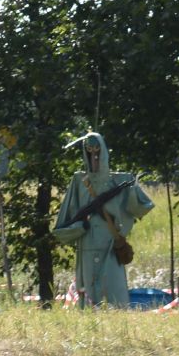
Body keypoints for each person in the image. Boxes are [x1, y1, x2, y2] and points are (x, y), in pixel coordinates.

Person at [52, 130, 154, 307]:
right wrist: (79, 227)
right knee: (89, 296)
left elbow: (142, 207)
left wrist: (130, 191)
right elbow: (64, 225)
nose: (95, 157)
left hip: (111, 246)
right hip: (87, 247)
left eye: (97, 152)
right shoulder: (79, 182)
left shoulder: (120, 181)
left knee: (114, 295)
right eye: (90, 152)